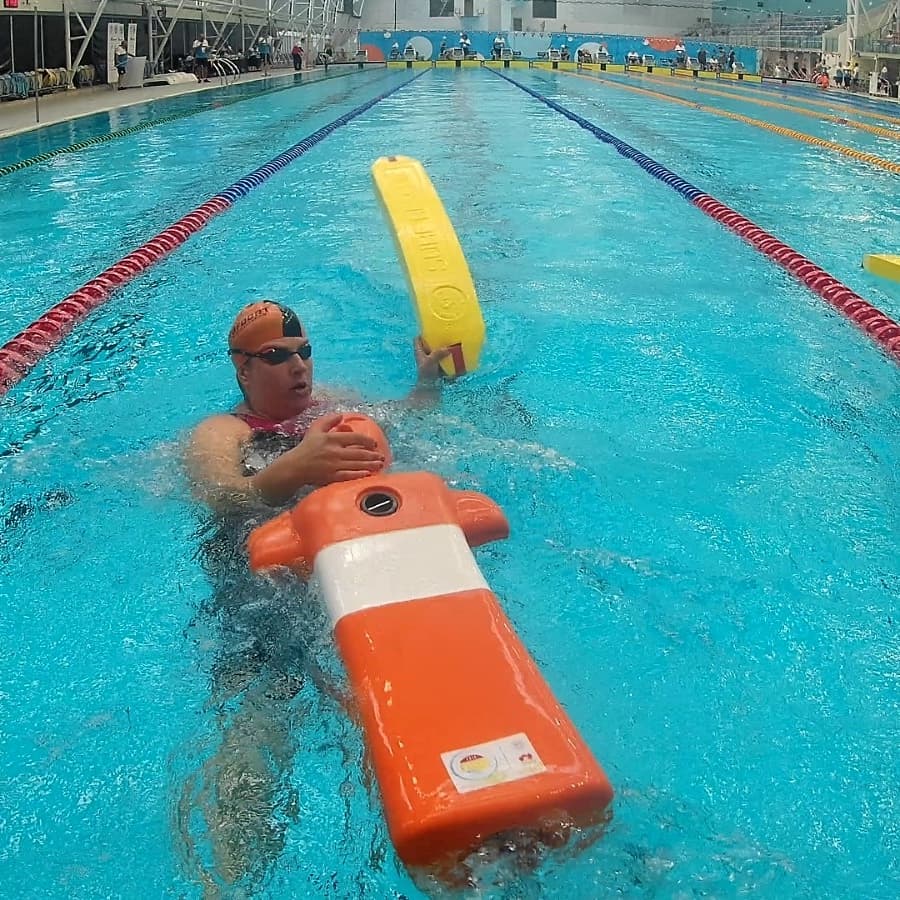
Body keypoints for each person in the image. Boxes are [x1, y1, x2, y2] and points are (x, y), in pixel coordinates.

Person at [178, 302, 449, 888]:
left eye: (303, 352)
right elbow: (219, 494)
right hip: (259, 585)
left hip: (345, 569)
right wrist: (294, 468)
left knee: (380, 703)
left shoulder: (334, 403)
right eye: (277, 357)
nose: (298, 367)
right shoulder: (222, 431)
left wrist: (426, 384)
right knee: (263, 718)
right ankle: (227, 878)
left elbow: (409, 419)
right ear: (243, 370)